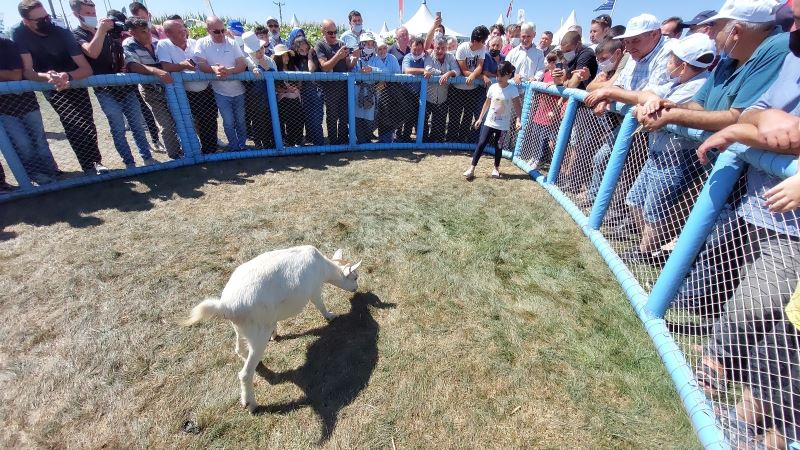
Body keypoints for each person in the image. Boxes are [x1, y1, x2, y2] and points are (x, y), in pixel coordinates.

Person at [621, 33, 716, 263]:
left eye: (671, 58)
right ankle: (651, 247)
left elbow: (659, 114)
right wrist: (647, 103)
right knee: (634, 201)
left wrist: (647, 108)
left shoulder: (699, 85)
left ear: (683, 65)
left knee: (656, 210)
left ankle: (646, 252)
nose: (667, 62)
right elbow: (646, 95)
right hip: (657, 153)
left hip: (675, 157)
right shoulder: (676, 82)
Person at [13, 0, 108, 175]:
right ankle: (87, 166)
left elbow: (86, 69)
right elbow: (28, 71)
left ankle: (96, 162)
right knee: (72, 122)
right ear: (26, 21)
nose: (46, 21)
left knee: (87, 121)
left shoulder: (62, 32)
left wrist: (68, 76)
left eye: (46, 17)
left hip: (75, 80)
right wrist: (49, 77)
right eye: (40, 19)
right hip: (52, 85)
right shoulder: (19, 34)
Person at [72, 0, 155, 169]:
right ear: (76, 14)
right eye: (88, 14)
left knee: (138, 126)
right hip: (105, 90)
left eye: (93, 13)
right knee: (118, 128)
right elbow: (92, 53)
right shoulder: (77, 34)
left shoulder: (110, 32)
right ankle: (129, 163)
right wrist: (101, 31)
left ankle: (147, 158)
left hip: (126, 86)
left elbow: (121, 52)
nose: (92, 17)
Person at [0, 36, 59, 183]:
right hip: (4, 110)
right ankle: (35, 175)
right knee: (22, 144)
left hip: (27, 103)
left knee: (39, 140)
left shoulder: (7, 44)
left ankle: (52, 172)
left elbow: (16, 75)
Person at [123, 16, 184, 159]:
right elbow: (132, 65)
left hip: (169, 88)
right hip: (151, 90)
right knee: (166, 124)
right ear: (133, 33)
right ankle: (175, 155)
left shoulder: (158, 43)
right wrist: (156, 71)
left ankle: (186, 149)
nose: (148, 34)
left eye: (148, 31)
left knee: (180, 118)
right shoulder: (129, 45)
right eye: (143, 32)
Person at [157, 18, 219, 154]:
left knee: (209, 119)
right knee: (185, 123)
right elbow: (166, 66)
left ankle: (211, 151)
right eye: (179, 31)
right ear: (169, 34)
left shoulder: (194, 43)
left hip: (205, 90)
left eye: (183, 29)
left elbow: (205, 62)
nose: (184, 32)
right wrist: (182, 65)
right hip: (184, 93)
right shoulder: (164, 45)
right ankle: (192, 152)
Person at [193, 16, 249, 151]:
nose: (221, 34)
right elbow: (200, 64)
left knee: (241, 121)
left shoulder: (232, 42)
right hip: (220, 92)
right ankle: (234, 146)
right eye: (216, 31)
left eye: (223, 30)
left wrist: (227, 71)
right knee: (228, 122)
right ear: (208, 30)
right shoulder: (201, 43)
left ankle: (242, 145)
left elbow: (242, 64)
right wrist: (214, 69)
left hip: (239, 90)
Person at [463, 61, 521, 180]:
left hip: (503, 125)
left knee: (498, 147)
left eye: (502, 75)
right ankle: (472, 168)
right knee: (481, 143)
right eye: (497, 75)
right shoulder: (493, 87)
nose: (499, 78)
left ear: (509, 75)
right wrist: (479, 118)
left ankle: (496, 168)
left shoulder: (513, 90)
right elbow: (487, 103)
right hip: (489, 122)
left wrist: (519, 119)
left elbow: (517, 106)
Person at [316, 18, 359, 145]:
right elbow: (324, 66)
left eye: (335, 31)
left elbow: (348, 66)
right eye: (330, 32)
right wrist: (338, 56)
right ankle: (333, 143)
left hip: (344, 87)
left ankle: (343, 141)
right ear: (323, 31)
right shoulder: (320, 45)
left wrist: (355, 57)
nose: (334, 35)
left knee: (345, 116)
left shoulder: (341, 44)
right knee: (332, 116)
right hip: (329, 89)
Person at [354, 34, 401, 143]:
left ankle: (366, 140)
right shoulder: (356, 57)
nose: (369, 46)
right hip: (357, 90)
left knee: (369, 118)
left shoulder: (375, 58)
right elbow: (351, 70)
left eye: (371, 43)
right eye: (366, 43)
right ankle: (359, 141)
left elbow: (385, 71)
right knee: (357, 117)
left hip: (371, 91)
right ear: (361, 44)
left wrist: (372, 69)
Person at [450, 25, 489, 143]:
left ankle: (462, 140)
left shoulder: (482, 48)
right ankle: (452, 139)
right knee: (455, 116)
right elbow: (464, 70)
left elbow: (479, 66)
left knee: (467, 116)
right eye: (483, 41)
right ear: (476, 41)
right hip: (457, 89)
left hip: (472, 89)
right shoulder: (462, 48)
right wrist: (479, 75)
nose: (484, 43)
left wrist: (474, 75)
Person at [241, 31, 276, 149]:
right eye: (256, 50)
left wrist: (265, 66)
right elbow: (243, 81)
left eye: (261, 48)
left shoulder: (270, 60)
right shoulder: (246, 62)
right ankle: (258, 144)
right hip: (254, 100)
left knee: (270, 121)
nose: (260, 51)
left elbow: (277, 79)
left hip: (269, 98)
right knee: (256, 122)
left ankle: (270, 144)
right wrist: (251, 72)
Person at [290, 36, 325, 146]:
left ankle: (320, 145)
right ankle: (312, 142)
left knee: (317, 119)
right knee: (309, 119)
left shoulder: (313, 57)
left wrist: (310, 54)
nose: (304, 52)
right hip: (304, 93)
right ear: (296, 50)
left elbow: (311, 69)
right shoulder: (295, 60)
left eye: (306, 49)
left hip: (316, 91)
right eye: (301, 50)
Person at [423, 36, 459, 143]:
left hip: (443, 97)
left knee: (439, 123)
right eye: (438, 48)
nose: (440, 51)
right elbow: (428, 68)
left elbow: (457, 70)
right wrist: (443, 74)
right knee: (423, 121)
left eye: (443, 48)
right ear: (434, 47)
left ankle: (435, 141)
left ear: (446, 48)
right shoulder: (429, 56)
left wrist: (449, 73)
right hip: (428, 96)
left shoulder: (450, 57)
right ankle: (423, 141)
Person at [272, 44, 304, 147]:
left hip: (295, 98)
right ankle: (289, 142)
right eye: (283, 56)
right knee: (288, 120)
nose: (286, 58)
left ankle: (298, 141)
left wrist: (296, 87)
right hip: (283, 100)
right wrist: (285, 89)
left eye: (287, 55)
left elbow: (300, 82)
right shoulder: (275, 70)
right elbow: (275, 86)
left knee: (299, 119)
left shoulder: (293, 67)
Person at [506, 22, 545, 87]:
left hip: (531, 91)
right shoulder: (512, 53)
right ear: (520, 35)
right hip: (513, 90)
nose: (525, 39)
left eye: (528, 36)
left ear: (534, 35)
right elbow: (506, 69)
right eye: (523, 36)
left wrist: (535, 78)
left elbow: (541, 70)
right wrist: (514, 75)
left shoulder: (539, 53)